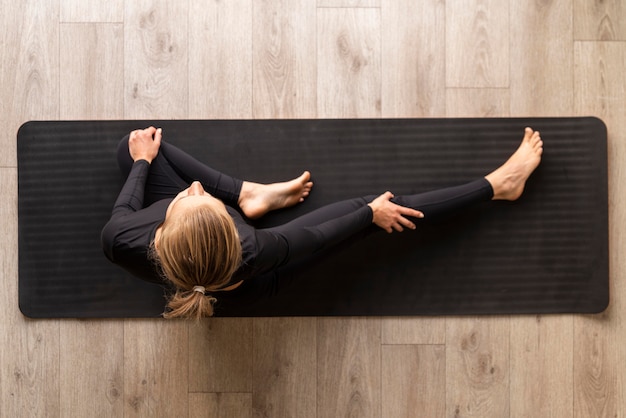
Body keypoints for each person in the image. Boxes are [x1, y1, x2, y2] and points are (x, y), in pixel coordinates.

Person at [101, 126, 543, 319]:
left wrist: (141, 163)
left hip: (203, 254)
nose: (196, 185)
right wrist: (371, 213)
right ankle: (500, 185)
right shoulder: (256, 250)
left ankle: (249, 195)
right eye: (206, 200)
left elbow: (125, 205)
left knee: (130, 149)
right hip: (259, 278)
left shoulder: (120, 238)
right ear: (230, 228)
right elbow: (314, 236)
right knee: (376, 206)